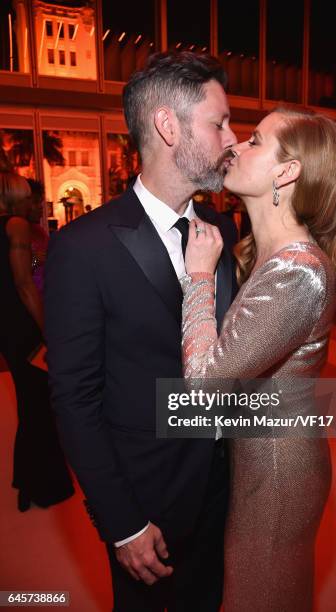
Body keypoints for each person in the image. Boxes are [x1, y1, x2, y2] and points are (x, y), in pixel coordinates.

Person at [45, 51, 237, 612]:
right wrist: (122, 522)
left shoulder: (221, 227)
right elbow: (75, 399)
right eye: (219, 121)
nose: (231, 135)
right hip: (145, 499)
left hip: (221, 492)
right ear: (168, 126)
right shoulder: (84, 247)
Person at [180, 106, 336, 611]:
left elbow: (202, 387)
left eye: (255, 140)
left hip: (279, 471)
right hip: (260, 456)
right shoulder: (268, 255)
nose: (235, 145)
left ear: (287, 171)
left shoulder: (297, 272)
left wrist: (197, 278)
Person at [0, 168, 74, 511]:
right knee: (38, 407)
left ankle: (28, 482)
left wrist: (36, 259)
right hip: (25, 326)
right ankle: (42, 485)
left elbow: (23, 266)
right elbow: (25, 284)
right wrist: (49, 331)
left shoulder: (10, 229)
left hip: (10, 326)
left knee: (32, 406)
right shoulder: (14, 225)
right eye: (27, 194)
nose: (32, 200)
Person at [26, 179, 49, 295]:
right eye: (35, 202)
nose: (40, 207)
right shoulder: (16, 232)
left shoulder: (39, 231)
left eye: (40, 202)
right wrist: (35, 261)